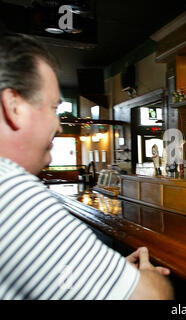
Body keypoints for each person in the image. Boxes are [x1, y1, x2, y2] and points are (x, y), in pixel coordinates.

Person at [0, 33, 173, 299]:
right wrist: (146, 276)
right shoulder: (11, 192)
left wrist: (103, 275)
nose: (58, 125)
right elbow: (152, 297)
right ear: (13, 107)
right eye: (53, 107)